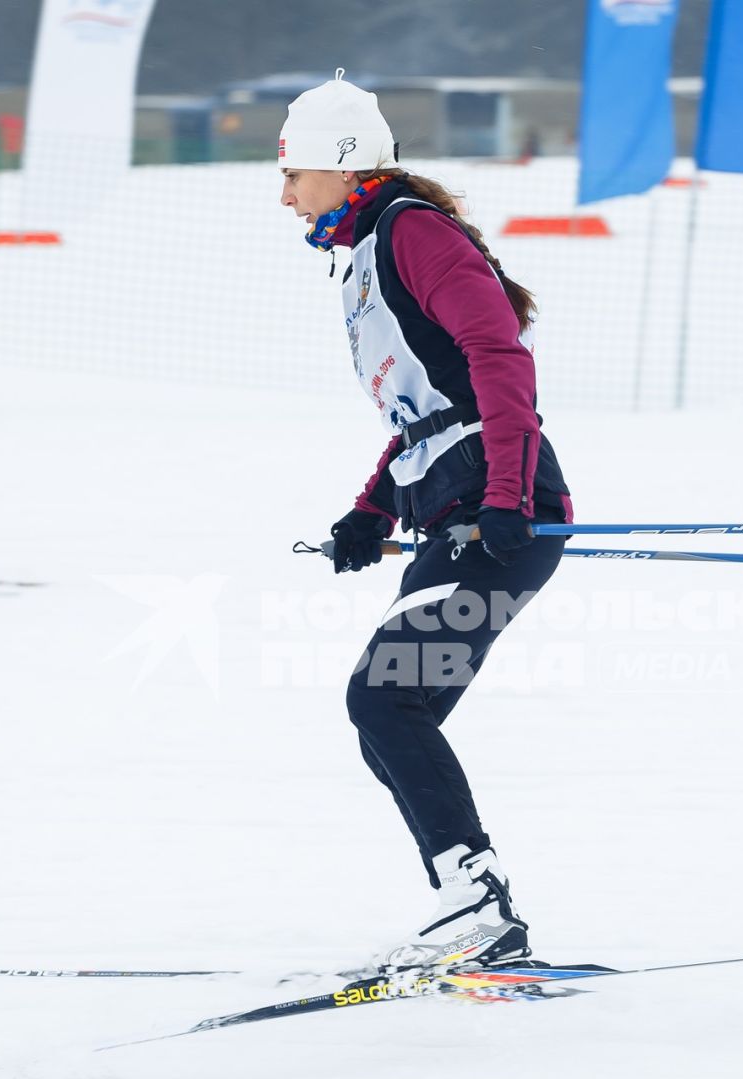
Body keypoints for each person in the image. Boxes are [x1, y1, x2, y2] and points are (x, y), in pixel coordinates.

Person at [279, 74, 574, 971]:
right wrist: (371, 510)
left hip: (497, 513)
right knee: (389, 717)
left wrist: (508, 498)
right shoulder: (368, 251)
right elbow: (427, 407)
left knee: (387, 701)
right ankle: (473, 901)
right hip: (455, 508)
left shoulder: (411, 231)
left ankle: (479, 906)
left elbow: (497, 360)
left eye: (292, 171)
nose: (284, 192)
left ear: (341, 164)